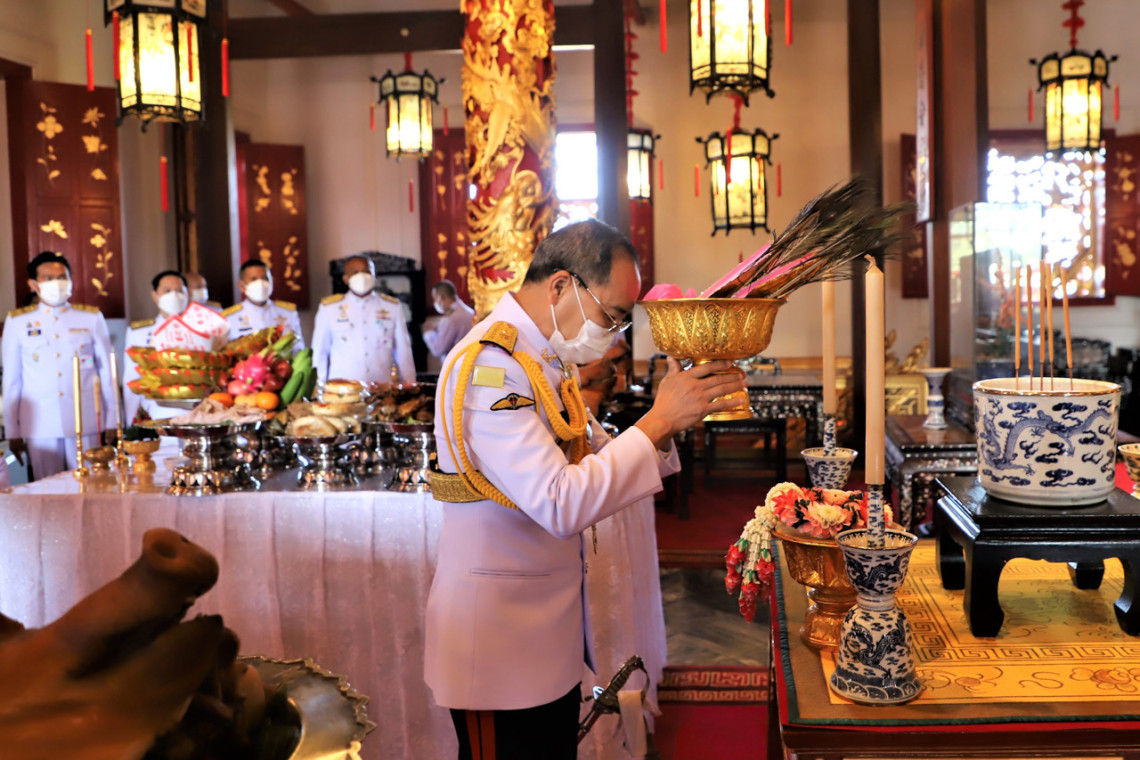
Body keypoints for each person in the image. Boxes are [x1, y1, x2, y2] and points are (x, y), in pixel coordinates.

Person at [424, 220, 744, 759]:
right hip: (497, 641)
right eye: (611, 316)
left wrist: (669, 424)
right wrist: (657, 422)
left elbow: (595, 458)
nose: (614, 336)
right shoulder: (490, 367)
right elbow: (559, 501)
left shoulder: (544, 360)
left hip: (543, 632)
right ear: (560, 286)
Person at [2, 252, 115, 480]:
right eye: (48, 278)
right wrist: (13, 430)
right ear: (33, 284)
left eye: (62, 277)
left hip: (85, 420)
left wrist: (113, 420)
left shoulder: (91, 318)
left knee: (92, 485)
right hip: (40, 425)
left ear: (71, 280)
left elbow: (107, 374)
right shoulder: (18, 322)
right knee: (47, 488)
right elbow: (12, 380)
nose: (57, 283)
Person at [311, 255, 416, 384]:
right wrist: (319, 386)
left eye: (367, 271)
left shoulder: (392, 307)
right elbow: (320, 352)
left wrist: (410, 383)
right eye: (355, 272)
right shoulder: (329, 308)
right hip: (343, 390)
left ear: (374, 275)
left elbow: (403, 351)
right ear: (345, 278)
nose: (362, 276)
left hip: (382, 388)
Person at [122, 270, 190, 424]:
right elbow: (132, 379)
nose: (174, 295)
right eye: (167, 291)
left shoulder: (203, 329)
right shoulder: (139, 333)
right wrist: (132, 422)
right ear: (155, 295)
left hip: (196, 412)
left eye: (179, 291)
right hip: (156, 412)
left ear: (188, 294)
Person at [222, 260, 305, 351]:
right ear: (241, 286)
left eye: (265, 278)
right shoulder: (229, 317)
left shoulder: (288, 312)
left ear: (272, 281)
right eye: (254, 279)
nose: (261, 283)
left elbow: (299, 347)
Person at [422, 280, 475, 359]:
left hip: (455, 363)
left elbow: (438, 350)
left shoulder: (449, 319)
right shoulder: (470, 312)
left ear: (441, 297)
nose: (436, 303)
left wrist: (428, 333)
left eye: (435, 299)